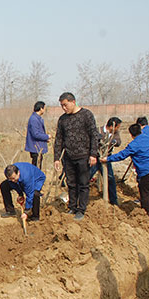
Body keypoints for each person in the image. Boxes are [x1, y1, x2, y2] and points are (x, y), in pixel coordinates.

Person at [53, 92, 99, 221]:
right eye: (62, 106)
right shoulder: (63, 119)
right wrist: (57, 158)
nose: (64, 108)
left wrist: (93, 154)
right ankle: (72, 206)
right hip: (68, 156)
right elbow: (59, 139)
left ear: (73, 102)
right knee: (71, 183)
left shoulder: (86, 115)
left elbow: (94, 135)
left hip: (84, 156)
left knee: (83, 184)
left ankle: (81, 209)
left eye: (65, 105)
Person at [101, 123, 149, 217]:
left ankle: (146, 215)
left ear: (131, 134)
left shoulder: (134, 145)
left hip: (147, 172)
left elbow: (122, 155)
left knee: (145, 193)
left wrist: (107, 159)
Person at [90, 117, 122, 205]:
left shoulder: (115, 133)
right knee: (87, 177)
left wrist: (113, 141)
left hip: (106, 159)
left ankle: (113, 201)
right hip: (95, 158)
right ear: (112, 126)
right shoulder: (98, 131)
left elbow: (119, 142)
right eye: (117, 127)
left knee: (110, 179)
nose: (117, 129)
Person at [24, 101, 50, 169]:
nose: (44, 110)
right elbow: (35, 134)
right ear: (41, 108)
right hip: (35, 147)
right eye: (44, 108)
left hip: (38, 147)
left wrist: (45, 139)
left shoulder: (37, 118)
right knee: (36, 167)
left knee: (38, 166)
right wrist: (47, 136)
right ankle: (35, 179)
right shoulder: (34, 119)